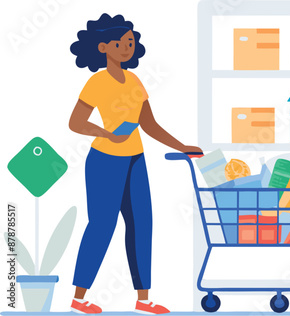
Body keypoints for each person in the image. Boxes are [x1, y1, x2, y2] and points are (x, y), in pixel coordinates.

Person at [68, 13, 202, 314]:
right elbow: (76, 122)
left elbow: (149, 125)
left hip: (135, 160)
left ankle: (144, 300)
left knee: (142, 226)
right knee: (102, 226)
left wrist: (182, 147)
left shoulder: (135, 80)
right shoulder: (97, 81)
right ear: (104, 47)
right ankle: (79, 298)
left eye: (130, 42)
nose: (127, 47)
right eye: (120, 43)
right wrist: (106, 133)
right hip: (104, 161)